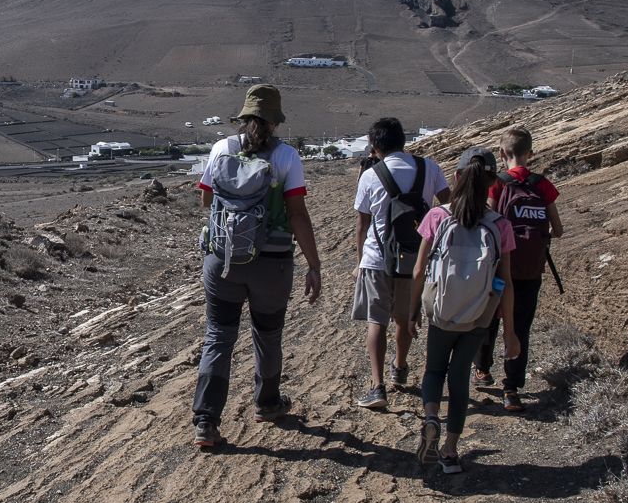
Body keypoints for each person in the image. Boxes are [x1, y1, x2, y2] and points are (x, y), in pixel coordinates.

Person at [192, 85, 322, 449]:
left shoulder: (220, 149)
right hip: (272, 263)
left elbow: (206, 200)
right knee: (267, 334)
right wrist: (314, 264)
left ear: (244, 117)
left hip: (223, 260)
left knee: (219, 335)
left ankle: (206, 420)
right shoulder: (287, 158)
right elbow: (298, 214)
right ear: (275, 121)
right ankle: (266, 403)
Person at [409, 147, 520, 474]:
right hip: (478, 314)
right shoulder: (500, 224)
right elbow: (507, 282)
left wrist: (413, 311)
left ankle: (431, 418)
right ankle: (451, 452)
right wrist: (510, 334)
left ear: (456, 177)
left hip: (441, 310)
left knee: (433, 370)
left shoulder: (437, 216)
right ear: (490, 184)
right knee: (459, 379)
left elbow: (418, 271)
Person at [350, 117, 449, 410]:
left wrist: (359, 263)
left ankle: (378, 386)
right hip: (415, 257)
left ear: (375, 146)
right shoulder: (429, 168)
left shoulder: (370, 175)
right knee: (405, 318)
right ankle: (400, 368)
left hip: (377, 259)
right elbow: (447, 206)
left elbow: (362, 224)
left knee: (376, 320)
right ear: (403, 141)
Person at [474, 127, 564, 412]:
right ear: (531, 153)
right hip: (530, 271)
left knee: (489, 319)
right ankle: (511, 389)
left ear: (501, 154)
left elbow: (487, 222)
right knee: (521, 327)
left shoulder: (496, 184)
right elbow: (558, 229)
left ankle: (483, 369)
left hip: (499, 268)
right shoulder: (542, 184)